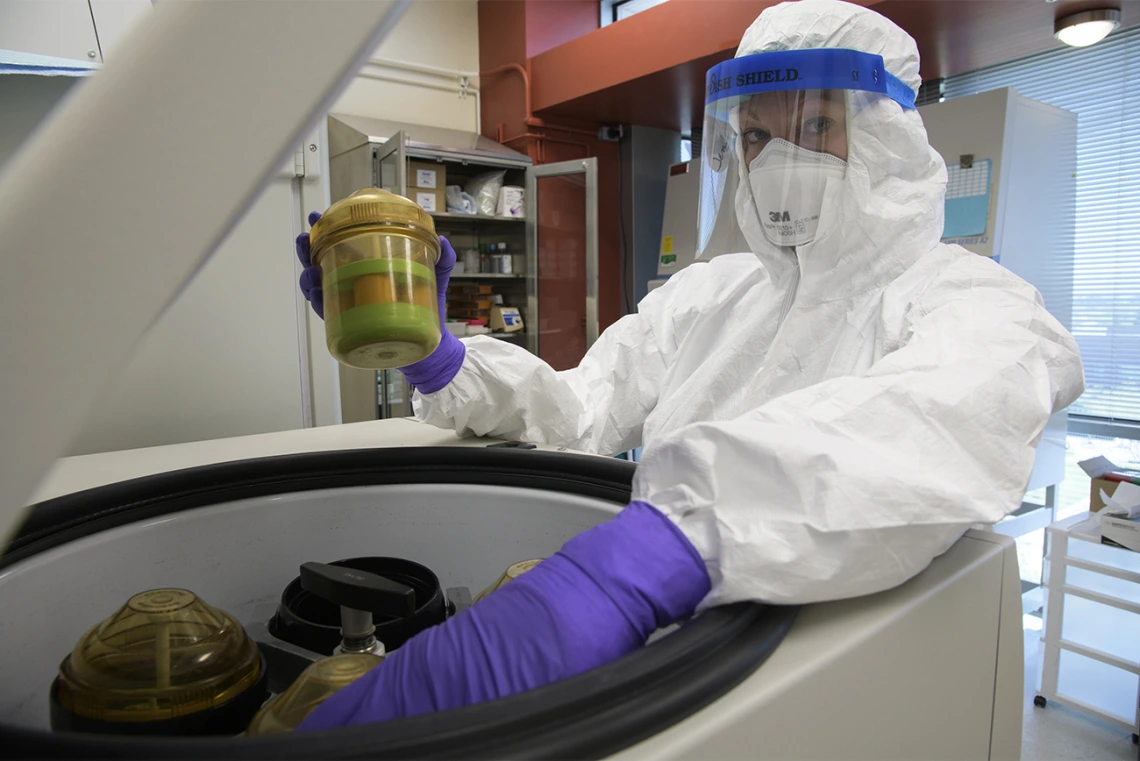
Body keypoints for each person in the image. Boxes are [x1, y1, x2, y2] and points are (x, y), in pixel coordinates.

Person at [295, 0, 1084, 730]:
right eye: (753, 137)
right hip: (673, 670)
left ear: (884, 135)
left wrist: (664, 548)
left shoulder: (973, 301)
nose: (777, 159)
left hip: (833, 696)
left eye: (813, 125)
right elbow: (581, 410)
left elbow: (939, 421)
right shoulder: (712, 295)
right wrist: (442, 360)